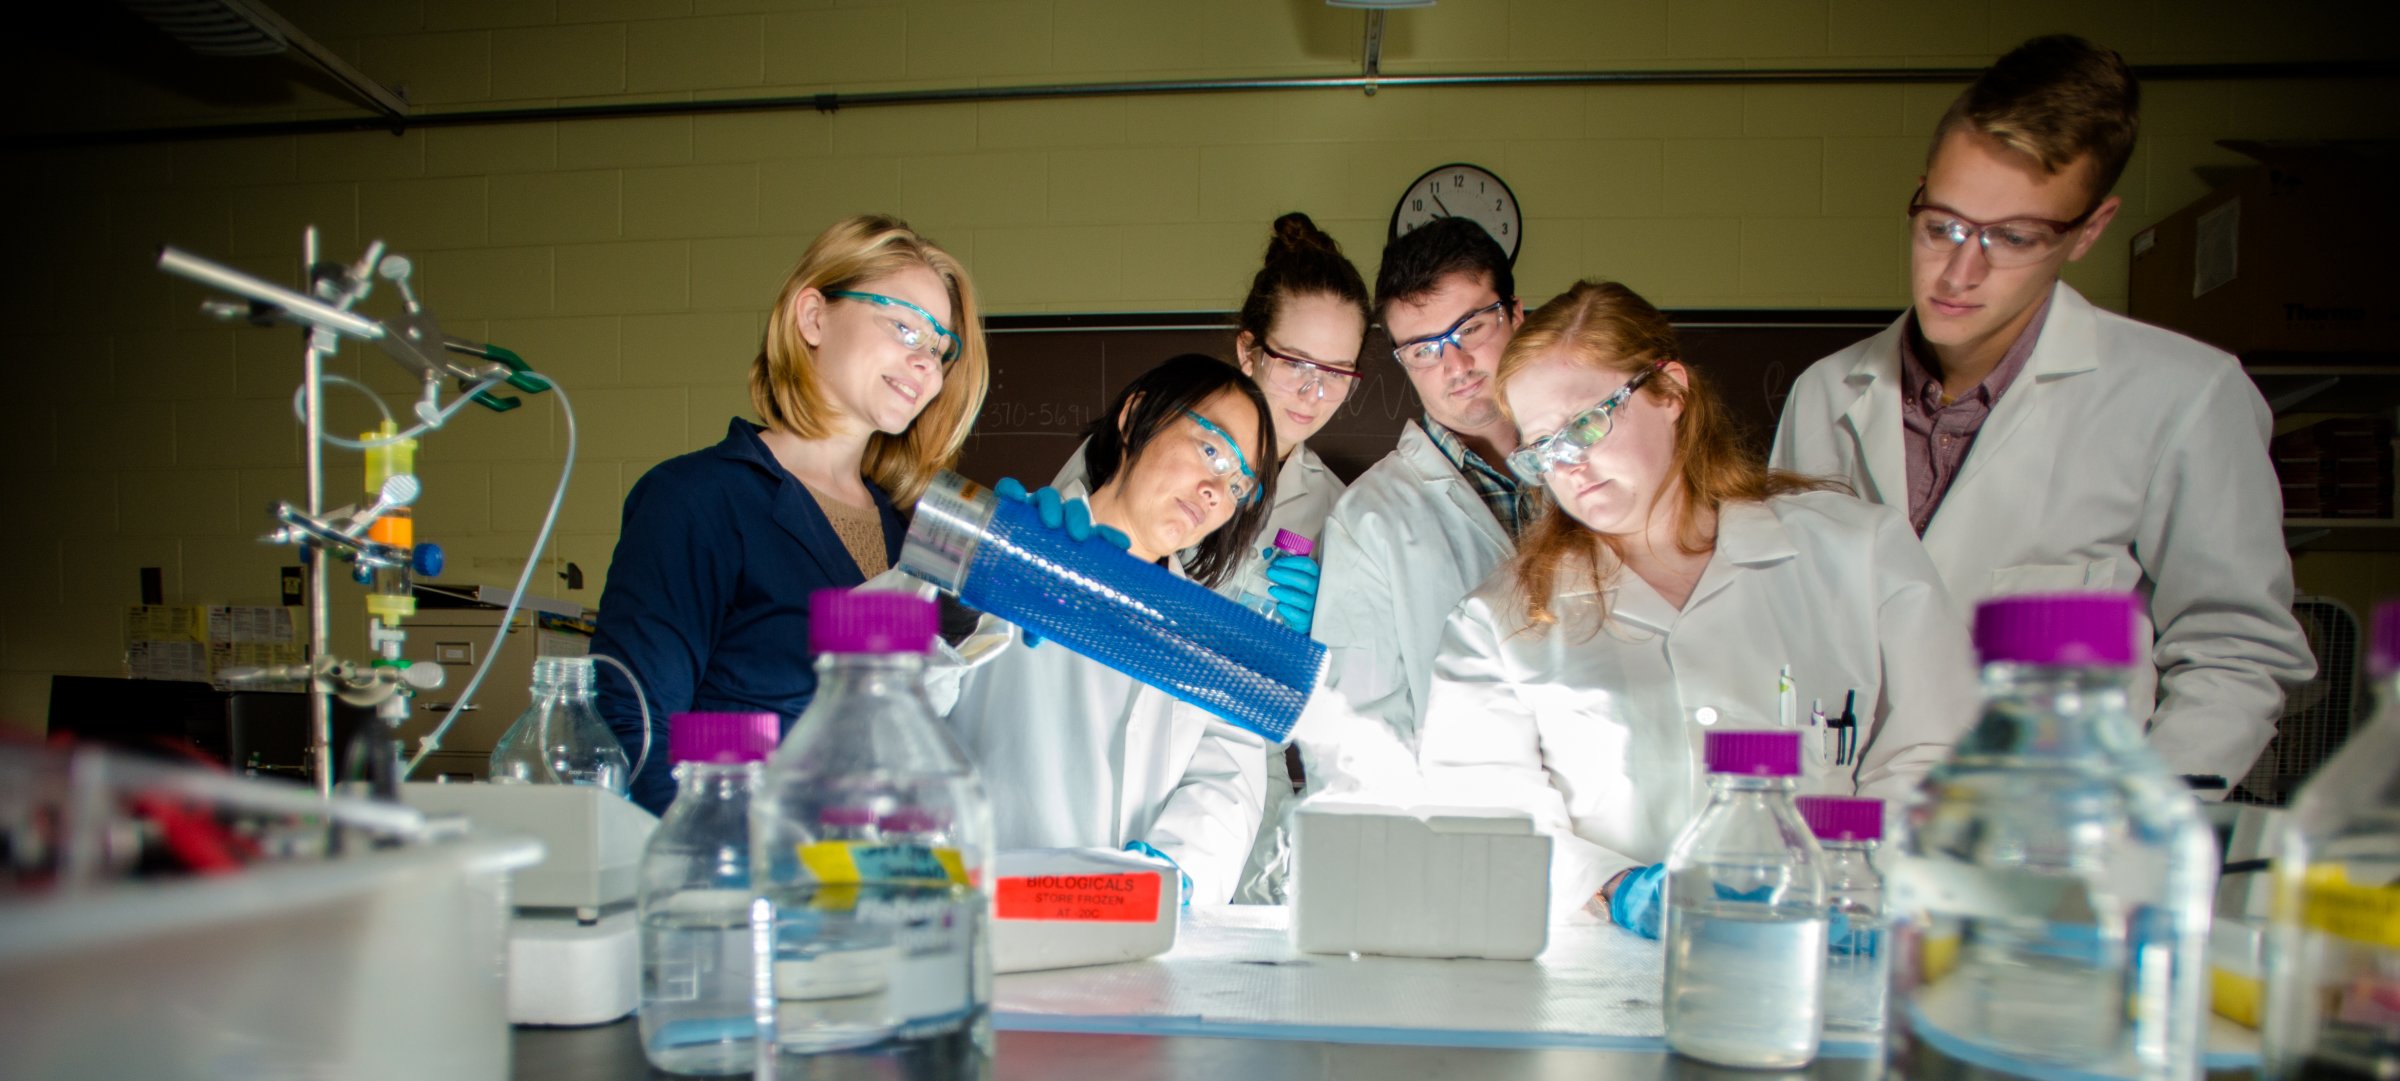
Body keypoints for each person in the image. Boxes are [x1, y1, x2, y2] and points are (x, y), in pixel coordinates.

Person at [1769, 34, 2313, 790]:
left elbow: (2236, 649)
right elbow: (1784, 630)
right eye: (1941, 226)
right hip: (1852, 836)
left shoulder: (2183, 397)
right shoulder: (1827, 394)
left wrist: (2144, 822)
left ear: (2089, 229)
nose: (1960, 272)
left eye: (2013, 238)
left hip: (2054, 848)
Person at [1417, 280, 1978, 934]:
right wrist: (1617, 890)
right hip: (1606, 985)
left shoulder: (1859, 551)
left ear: (1670, 391)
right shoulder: (1499, 621)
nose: (1569, 464)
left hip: (1828, 961)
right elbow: (1480, 809)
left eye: (1586, 423)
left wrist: (1847, 878)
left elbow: (1939, 752)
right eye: (1544, 448)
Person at [588, 214, 988, 813]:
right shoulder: (697, 501)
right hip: (740, 884)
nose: (927, 364)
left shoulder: (906, 536)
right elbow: (636, 731)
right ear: (813, 317)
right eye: (905, 328)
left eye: (940, 349)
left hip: (860, 878)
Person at [943, 354, 1279, 905]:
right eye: (1212, 450)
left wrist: (1176, 871)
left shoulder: (1208, 636)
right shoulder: (1006, 554)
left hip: (1133, 939)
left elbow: (1229, 785)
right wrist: (957, 583)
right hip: (990, 921)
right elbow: (872, 686)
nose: (1218, 491)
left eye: (1240, 485)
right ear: (1136, 415)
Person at [1289, 216, 1529, 804]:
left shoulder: (1592, 472)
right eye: (1423, 349)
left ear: (1517, 315)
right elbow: (1354, 745)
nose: (1455, 364)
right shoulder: (1370, 519)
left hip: (1614, 851)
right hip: (1465, 846)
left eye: (1471, 327)